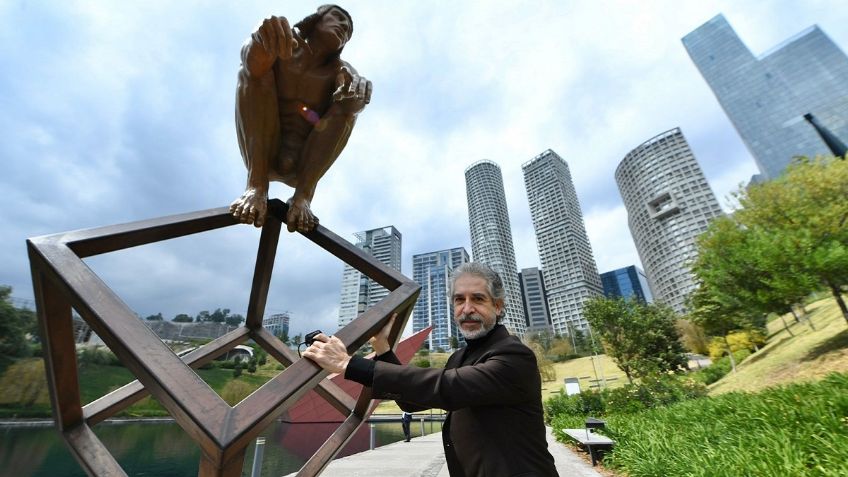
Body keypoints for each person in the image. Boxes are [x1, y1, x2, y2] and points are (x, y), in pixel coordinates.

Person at [304, 262, 558, 476]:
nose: (467, 309)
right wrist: (383, 348)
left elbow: (447, 387)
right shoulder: (459, 357)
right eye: (459, 300)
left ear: (498, 306)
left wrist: (349, 365)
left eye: (478, 299)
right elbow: (412, 402)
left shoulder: (514, 356)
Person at [230, 5, 372, 232]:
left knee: (348, 105)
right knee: (256, 70)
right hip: (265, 151)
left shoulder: (341, 70)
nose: (343, 27)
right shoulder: (284, 42)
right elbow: (250, 61)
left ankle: (303, 197)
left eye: (348, 31)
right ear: (316, 20)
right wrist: (261, 37)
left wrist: (357, 96)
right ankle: (256, 185)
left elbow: (352, 105)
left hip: (303, 164)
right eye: (338, 18)